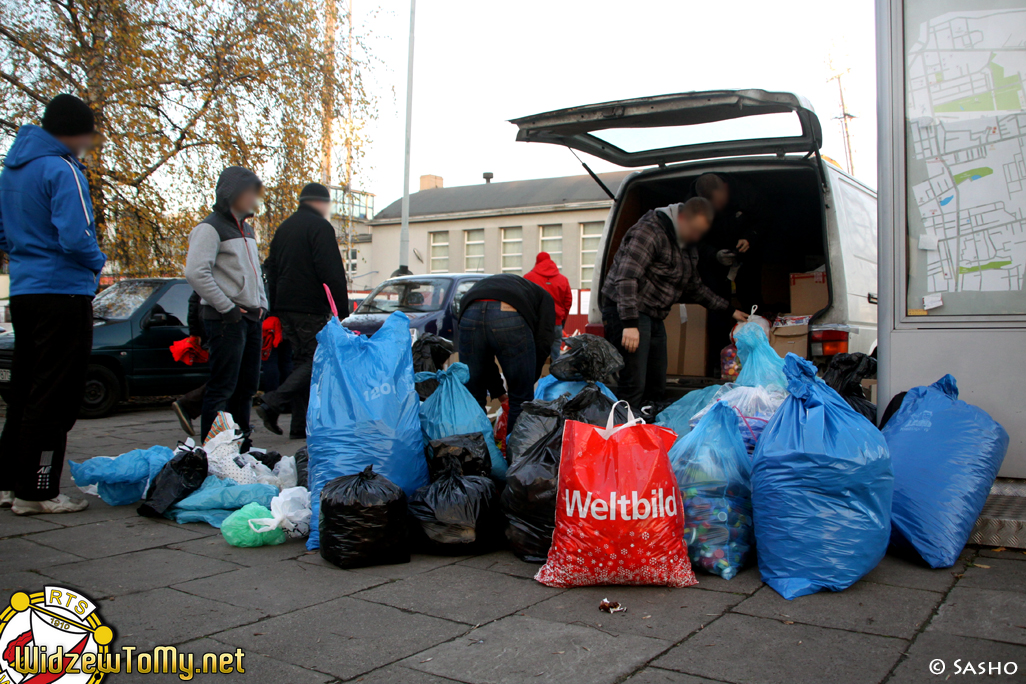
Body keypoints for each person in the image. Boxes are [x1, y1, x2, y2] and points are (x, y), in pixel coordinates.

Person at [0, 94, 106, 515]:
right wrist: (95, 265)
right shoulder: (62, 169)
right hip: (63, 291)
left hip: (25, 290)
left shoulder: (12, 170)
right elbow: (76, 234)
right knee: (56, 394)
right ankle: (39, 490)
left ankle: (9, 481)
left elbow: (3, 234)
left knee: (25, 390)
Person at [601, 197, 748, 411]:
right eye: (695, 230)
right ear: (681, 218)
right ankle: (623, 433)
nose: (697, 237)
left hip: (653, 314)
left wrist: (731, 310)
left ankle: (650, 428)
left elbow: (695, 287)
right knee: (635, 383)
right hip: (628, 311)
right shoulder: (650, 231)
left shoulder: (686, 244)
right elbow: (626, 278)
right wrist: (630, 324)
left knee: (657, 382)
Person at [257, 182, 348, 439]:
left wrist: (275, 307)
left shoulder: (284, 228)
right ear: (320, 203)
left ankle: (299, 427)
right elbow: (331, 271)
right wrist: (341, 311)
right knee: (314, 360)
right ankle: (272, 401)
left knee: (301, 363)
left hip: (285, 307)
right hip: (310, 307)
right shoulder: (320, 227)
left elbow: (270, 268)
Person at [184, 166, 267, 439]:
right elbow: (196, 272)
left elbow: (256, 271)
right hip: (226, 320)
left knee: (246, 389)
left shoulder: (249, 230)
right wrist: (227, 307)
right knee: (222, 389)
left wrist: (262, 303)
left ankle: (241, 446)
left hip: (252, 318)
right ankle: (213, 452)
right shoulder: (209, 228)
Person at [458, 274, 555, 436]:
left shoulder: (524, 289)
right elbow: (544, 342)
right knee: (520, 400)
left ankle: (476, 455)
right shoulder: (546, 299)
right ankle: (515, 457)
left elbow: (484, 362)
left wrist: (500, 393)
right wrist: (528, 378)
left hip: (470, 309)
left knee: (474, 396)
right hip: (509, 313)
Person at [694, 173, 766, 364]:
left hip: (745, 259)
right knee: (716, 310)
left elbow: (763, 220)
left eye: (718, 202)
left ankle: (757, 357)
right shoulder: (693, 207)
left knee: (753, 304)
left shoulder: (747, 194)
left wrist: (750, 237)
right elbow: (693, 241)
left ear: (725, 188)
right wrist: (714, 255)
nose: (716, 208)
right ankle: (720, 363)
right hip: (713, 265)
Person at [524, 251, 572, 361]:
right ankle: (555, 376)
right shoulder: (563, 279)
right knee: (556, 355)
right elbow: (568, 301)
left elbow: (524, 300)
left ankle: (537, 377)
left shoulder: (528, 278)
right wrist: (562, 318)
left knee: (536, 355)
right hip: (556, 321)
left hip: (536, 324)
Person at [170, 291, 206, 437]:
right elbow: (195, 298)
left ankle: (189, 404)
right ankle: (189, 404)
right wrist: (195, 332)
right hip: (220, 324)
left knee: (232, 377)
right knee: (228, 377)